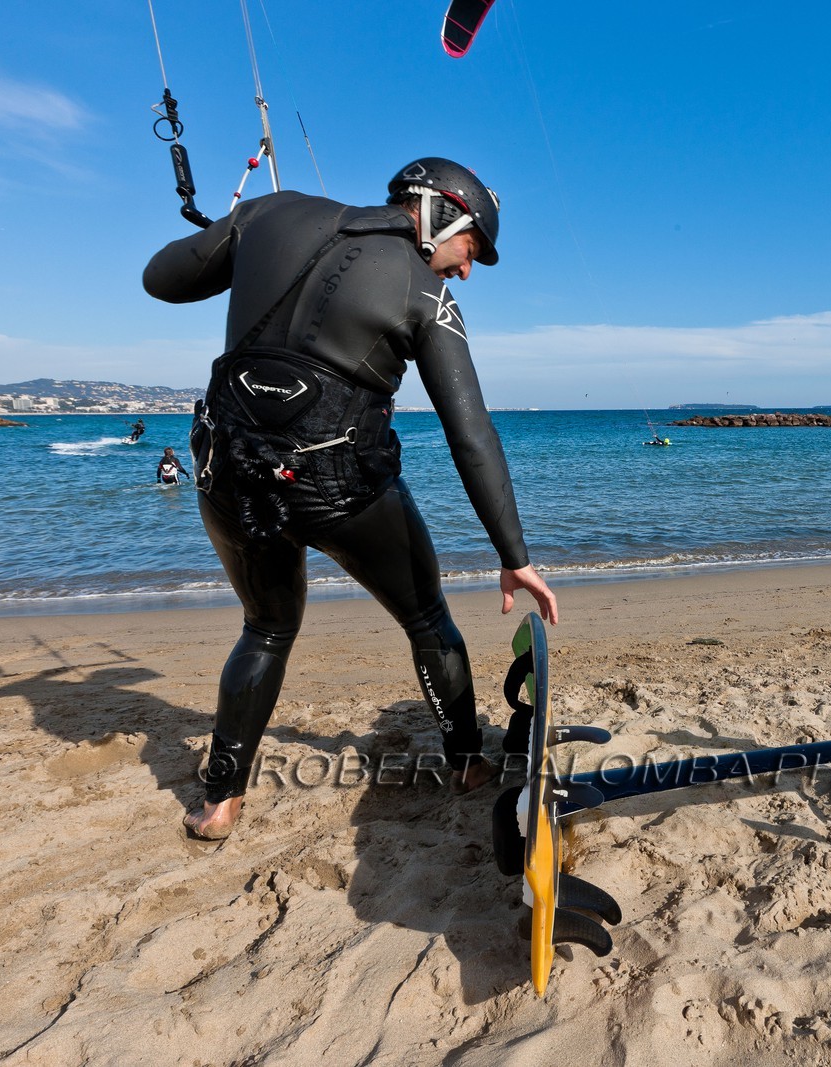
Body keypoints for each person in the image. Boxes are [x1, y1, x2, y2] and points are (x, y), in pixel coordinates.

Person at [143, 156, 557, 840]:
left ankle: (219, 801)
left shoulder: (265, 213)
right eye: (470, 247)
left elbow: (161, 277)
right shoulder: (426, 296)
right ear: (438, 215)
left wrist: (232, 226)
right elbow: (472, 434)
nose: (465, 269)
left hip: (229, 474)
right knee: (426, 614)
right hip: (339, 489)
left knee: (267, 627)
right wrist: (514, 555)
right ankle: (468, 765)